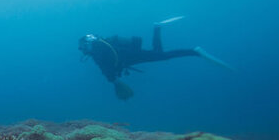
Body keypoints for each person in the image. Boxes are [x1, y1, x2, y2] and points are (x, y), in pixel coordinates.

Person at [78, 17, 230, 100]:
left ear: (86, 46)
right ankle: (188, 48)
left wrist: (115, 82)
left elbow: (106, 69)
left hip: (130, 56)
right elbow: (109, 65)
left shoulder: (96, 52)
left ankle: (191, 49)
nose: (83, 51)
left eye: (83, 48)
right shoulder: (102, 45)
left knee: (161, 55)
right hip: (130, 55)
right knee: (159, 54)